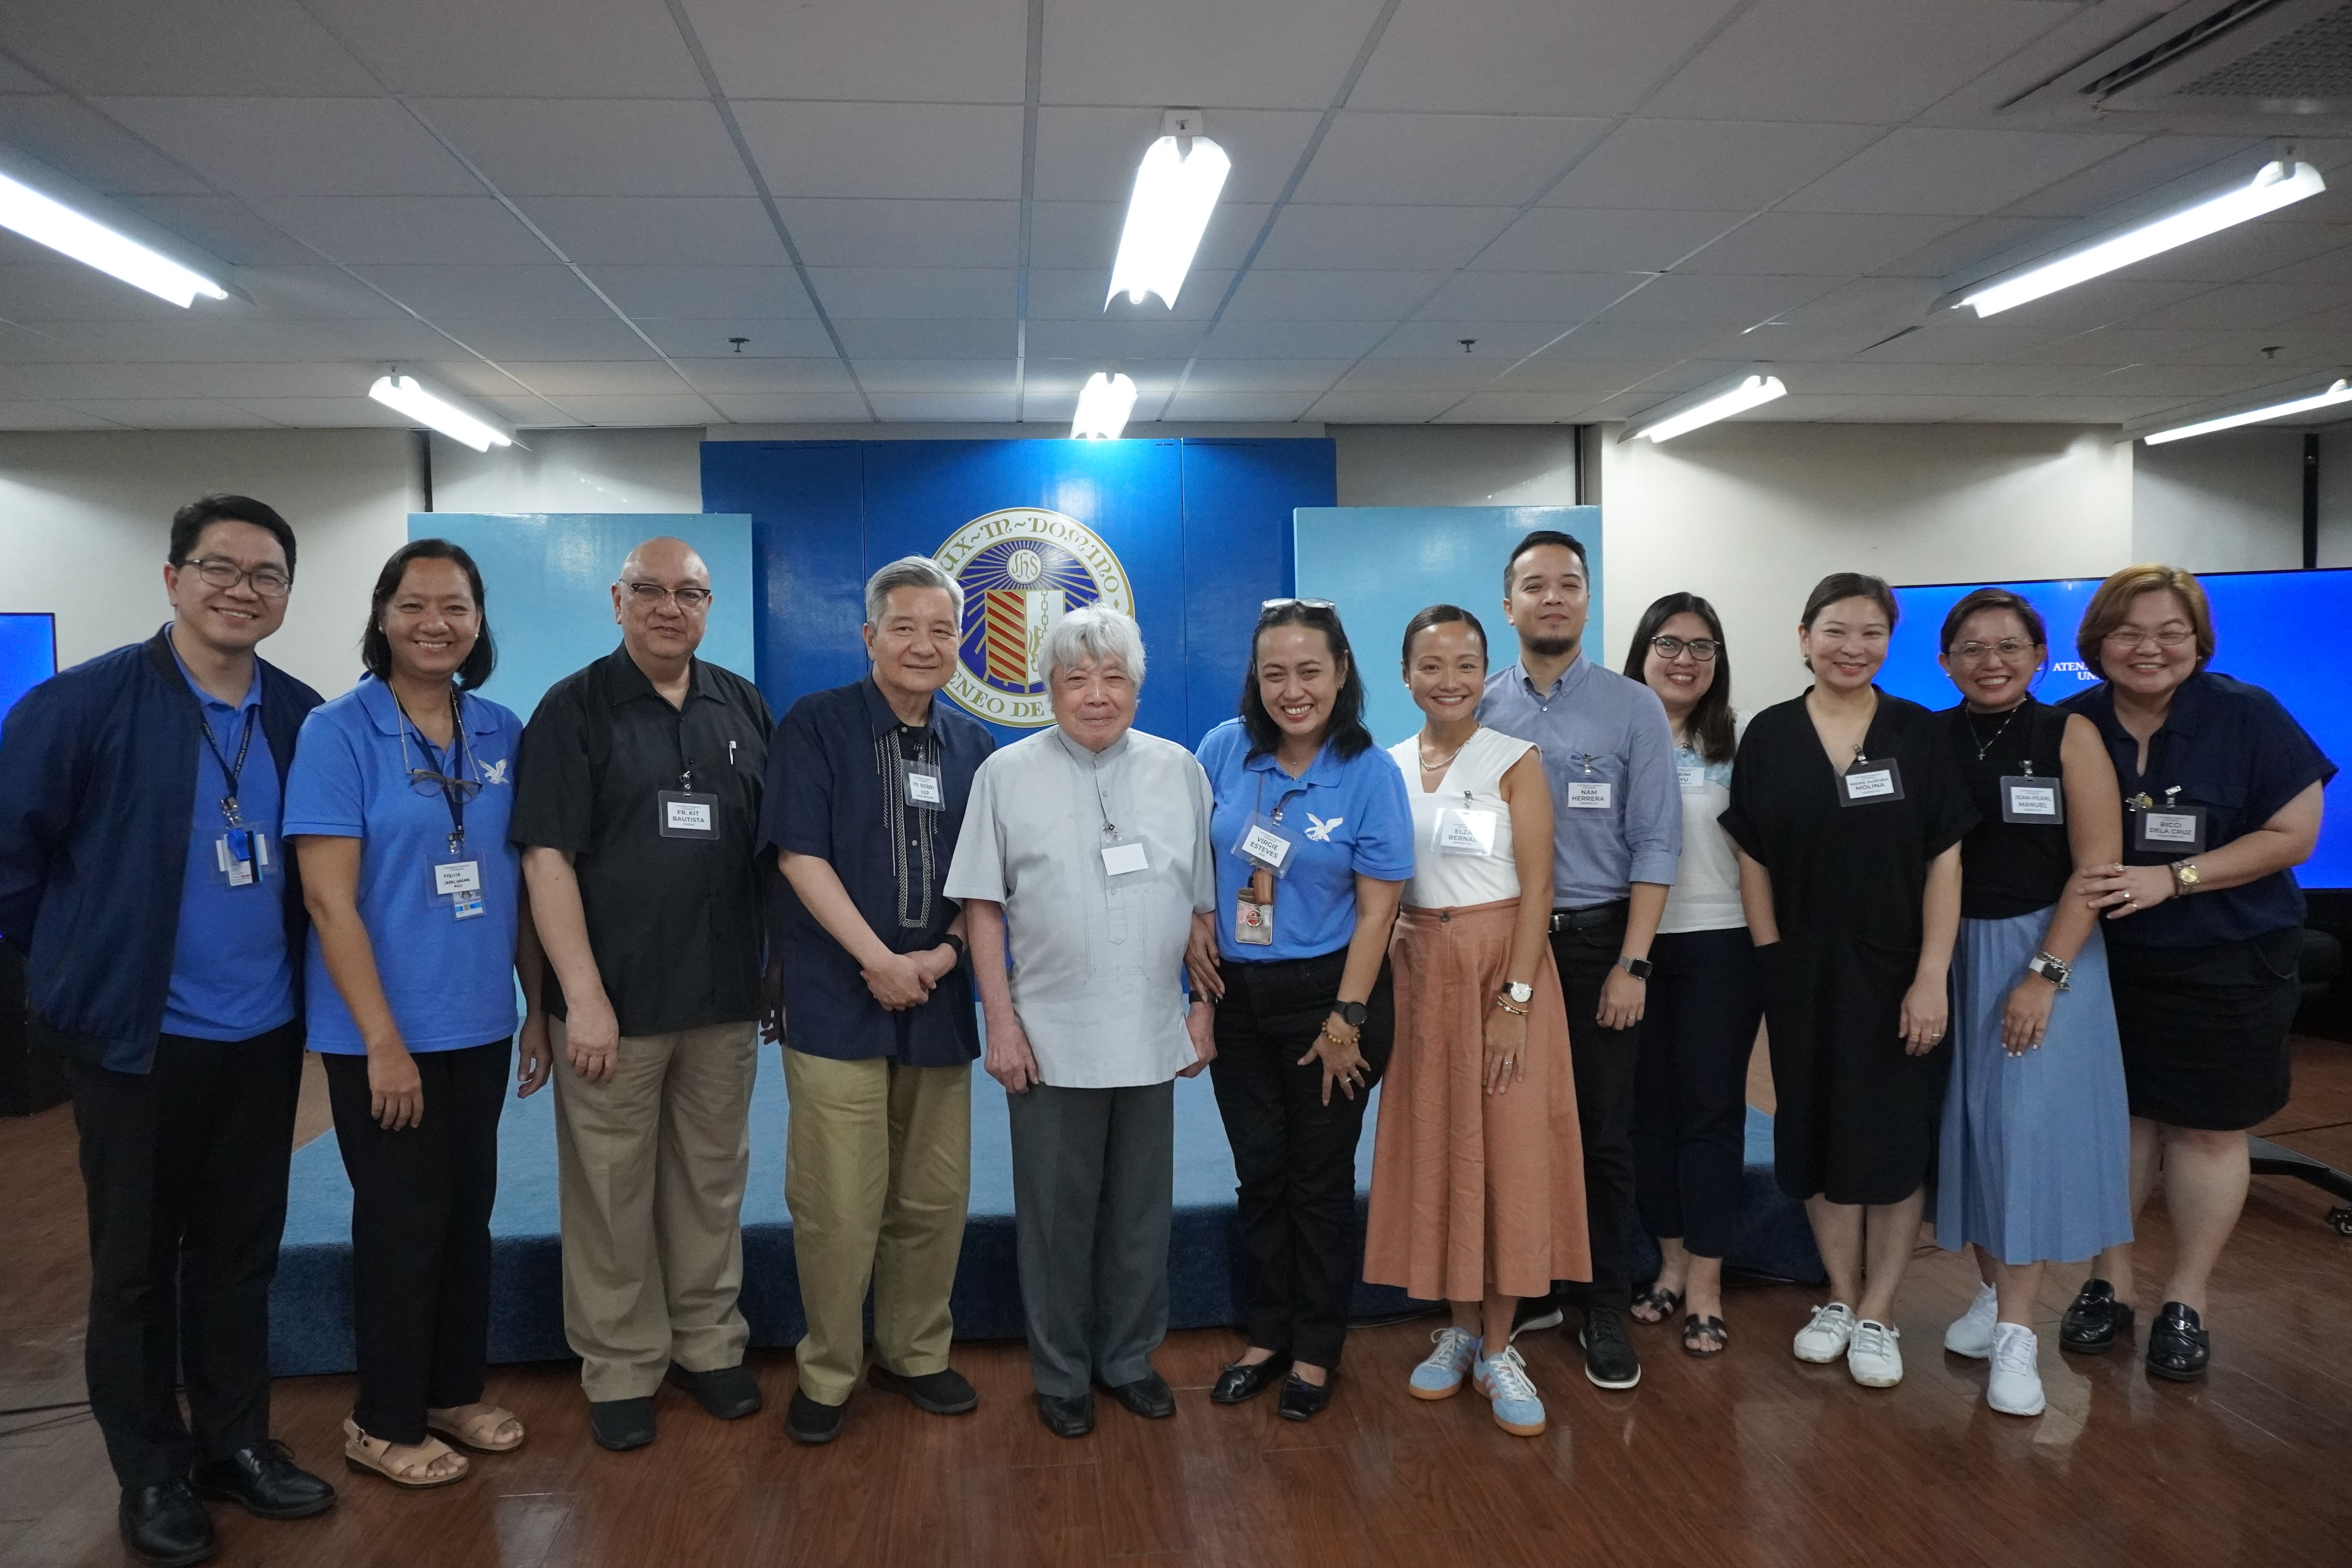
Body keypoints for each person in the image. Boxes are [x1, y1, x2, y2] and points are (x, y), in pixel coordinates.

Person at [0, 495, 336, 1565]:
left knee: (239, 1259)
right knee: (137, 1269)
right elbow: (15, 864)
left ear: (288, 592)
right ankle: (150, 1472)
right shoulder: (81, 704)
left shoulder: (299, 714)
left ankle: (234, 1446)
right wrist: (76, 962)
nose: (243, 590)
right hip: (138, 1046)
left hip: (264, 1035)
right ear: (172, 577)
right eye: (221, 568)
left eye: (267, 575)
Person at [285, 540, 549, 1485]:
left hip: (477, 1020)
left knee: (464, 1214)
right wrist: (381, 1041)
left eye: (457, 607)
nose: (436, 623)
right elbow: (328, 899)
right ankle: (382, 1417)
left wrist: (538, 1007)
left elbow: (520, 884)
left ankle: (451, 1389)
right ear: (383, 615)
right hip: (381, 1034)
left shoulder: (501, 730)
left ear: (479, 621)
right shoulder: (339, 731)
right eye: (415, 605)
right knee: (399, 1222)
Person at [510, 537, 774, 1452]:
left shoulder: (740, 703)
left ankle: (708, 1342)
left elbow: (770, 855)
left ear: (710, 605)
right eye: (651, 592)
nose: (671, 608)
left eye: (690, 593)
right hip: (611, 1005)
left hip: (724, 998)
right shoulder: (571, 710)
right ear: (617, 601)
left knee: (710, 1182)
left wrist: (772, 971)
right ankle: (622, 1364)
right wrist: (578, 997)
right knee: (612, 1190)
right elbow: (547, 860)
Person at [943, 606, 1216, 1439]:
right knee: (1057, 1221)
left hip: (1148, 1026)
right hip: (1049, 1033)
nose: (1097, 695)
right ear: (1047, 687)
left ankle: (1129, 1359)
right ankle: (1060, 1372)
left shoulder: (1179, 770)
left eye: (1114, 677)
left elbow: (1204, 909)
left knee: (1140, 1215)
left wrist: (1201, 1007)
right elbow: (983, 908)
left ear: (1137, 685)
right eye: (1076, 678)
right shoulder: (1007, 772)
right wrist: (1002, 1021)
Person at [2056, 564, 2332, 1382]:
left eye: (2171, 630)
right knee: (2123, 1122)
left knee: (2209, 1129)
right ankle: (2111, 1282)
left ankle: (2188, 1296)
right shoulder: (2073, 722)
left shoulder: (2247, 715)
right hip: (2111, 961)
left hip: (2228, 958)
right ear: (2097, 642)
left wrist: (2173, 878)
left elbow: (2294, 834)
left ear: (2199, 640)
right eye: (2129, 631)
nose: (2150, 648)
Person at [1720, 572, 1973, 1389]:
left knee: (1892, 1141)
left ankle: (1881, 1310)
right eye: (1835, 630)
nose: (1851, 647)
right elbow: (1751, 852)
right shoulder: (1769, 733)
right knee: (1815, 1132)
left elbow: (1945, 859)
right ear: (1804, 636)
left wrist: (1932, 974)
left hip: (1900, 971)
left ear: (1888, 644)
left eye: (1870, 633)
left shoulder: (1920, 733)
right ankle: (1838, 1293)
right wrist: (1772, 958)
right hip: (1802, 971)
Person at [762, 557, 995, 1446]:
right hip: (835, 999)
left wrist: (937, 957)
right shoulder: (816, 726)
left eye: (942, 630)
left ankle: (916, 1352)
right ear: (870, 637)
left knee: (932, 1199)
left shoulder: (974, 747)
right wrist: (878, 958)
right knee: (838, 1201)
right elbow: (798, 855)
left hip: (938, 999)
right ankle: (828, 1367)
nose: (924, 645)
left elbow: (987, 881)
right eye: (905, 627)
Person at [1365, 605, 1588, 1437]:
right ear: (1406, 674)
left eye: (1465, 663)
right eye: (1431, 664)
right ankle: (1458, 1328)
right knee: (1443, 1146)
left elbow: (1539, 888)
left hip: (1504, 969)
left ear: (1485, 672)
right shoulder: (1386, 765)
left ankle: (1501, 1344)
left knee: (1510, 1152)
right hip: (1420, 971)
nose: (1448, 678)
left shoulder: (1513, 759)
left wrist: (1517, 997)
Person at [1189, 599, 1413, 1422]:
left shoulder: (1370, 772)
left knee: (1318, 1181)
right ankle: (1266, 1331)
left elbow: (1380, 910)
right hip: (1239, 998)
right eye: (1274, 672)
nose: (1292, 689)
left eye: (1309, 671)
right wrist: (1192, 926)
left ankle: (1317, 1347)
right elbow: (1191, 856)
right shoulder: (1222, 748)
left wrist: (1347, 1016)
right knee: (1260, 1173)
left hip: (1333, 998)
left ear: (1342, 672)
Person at [1477, 530, 1679, 1391]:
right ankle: (1529, 1287)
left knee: (1603, 1132)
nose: (1551, 597)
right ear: (1509, 602)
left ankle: (1602, 1299)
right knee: (1516, 1128)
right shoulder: (1478, 707)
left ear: (1589, 600)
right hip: (1504, 943)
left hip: (1599, 942)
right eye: (1534, 585)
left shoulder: (1634, 707)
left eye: (1568, 583)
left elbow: (1658, 840)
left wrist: (1634, 962)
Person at [1928, 587, 2131, 1417]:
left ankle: (2019, 1332)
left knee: (2022, 1137)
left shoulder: (2069, 734)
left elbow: (2098, 865)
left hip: (2046, 954)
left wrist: (2044, 972)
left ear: (2040, 656)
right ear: (1945, 661)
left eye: (2010, 645)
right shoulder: (1927, 736)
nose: (1992, 661)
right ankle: (1989, 1292)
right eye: (1972, 647)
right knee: (1968, 1135)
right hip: (1949, 954)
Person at [1620, 592, 1761, 1358]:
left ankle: (1706, 1281)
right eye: (1669, 643)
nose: (1685, 658)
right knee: (1646, 1115)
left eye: (1703, 646)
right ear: (1642, 653)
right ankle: (1669, 1261)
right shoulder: (1613, 742)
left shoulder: (1742, 746)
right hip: (1630, 954)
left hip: (1720, 947)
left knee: (1710, 1115)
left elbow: (1764, 861)